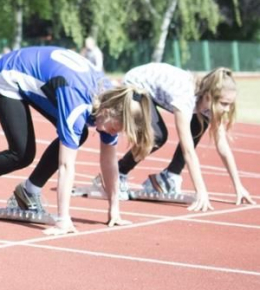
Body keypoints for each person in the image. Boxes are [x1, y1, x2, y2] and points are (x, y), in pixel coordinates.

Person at [0, 46, 155, 235]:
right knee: (21, 154)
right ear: (109, 111)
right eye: (115, 128)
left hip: (51, 77)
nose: (113, 133)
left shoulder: (113, 102)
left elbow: (109, 162)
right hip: (8, 75)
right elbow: (66, 165)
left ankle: (29, 191)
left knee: (79, 134)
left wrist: (114, 209)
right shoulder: (78, 103)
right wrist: (63, 219)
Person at [97, 64, 253, 210]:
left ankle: (169, 177)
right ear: (208, 97)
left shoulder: (207, 104)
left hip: (157, 89)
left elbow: (222, 146)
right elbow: (188, 150)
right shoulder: (185, 98)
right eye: (224, 104)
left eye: (230, 104)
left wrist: (238, 186)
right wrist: (201, 191)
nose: (227, 109)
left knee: (200, 123)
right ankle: (117, 173)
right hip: (137, 84)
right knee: (157, 136)